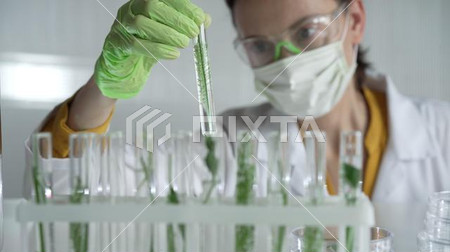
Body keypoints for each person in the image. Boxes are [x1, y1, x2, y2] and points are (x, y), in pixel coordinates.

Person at [27, 0, 450, 202]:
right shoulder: (230, 142)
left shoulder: (442, 134)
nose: (287, 63)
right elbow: (62, 190)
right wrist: (105, 87)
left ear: (354, 21)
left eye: (306, 33)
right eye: (261, 46)